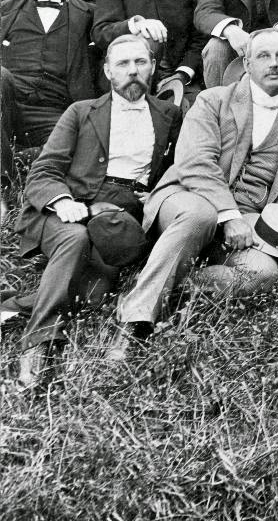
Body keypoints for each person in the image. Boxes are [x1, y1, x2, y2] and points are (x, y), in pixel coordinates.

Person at [107, 30, 278, 354]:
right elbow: (194, 162)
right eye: (263, 56)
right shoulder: (212, 101)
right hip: (188, 196)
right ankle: (133, 321)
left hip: (250, 217)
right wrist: (228, 215)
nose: (273, 64)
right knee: (200, 215)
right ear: (246, 63)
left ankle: (168, 285)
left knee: (264, 274)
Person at [10, 34, 181, 386]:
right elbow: (43, 172)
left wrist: (159, 194)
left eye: (140, 62)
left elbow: (178, 167)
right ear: (107, 71)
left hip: (123, 214)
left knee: (94, 295)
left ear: (152, 67)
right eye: (123, 64)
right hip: (68, 208)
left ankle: (14, 304)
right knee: (74, 240)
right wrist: (64, 202)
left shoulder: (169, 114)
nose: (133, 71)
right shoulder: (81, 111)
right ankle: (39, 343)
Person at [0, 0, 101, 176]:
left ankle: (11, 160)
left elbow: (112, 34)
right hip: (8, 104)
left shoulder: (89, 15)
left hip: (57, 111)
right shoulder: (4, 10)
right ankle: (9, 174)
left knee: (79, 147)